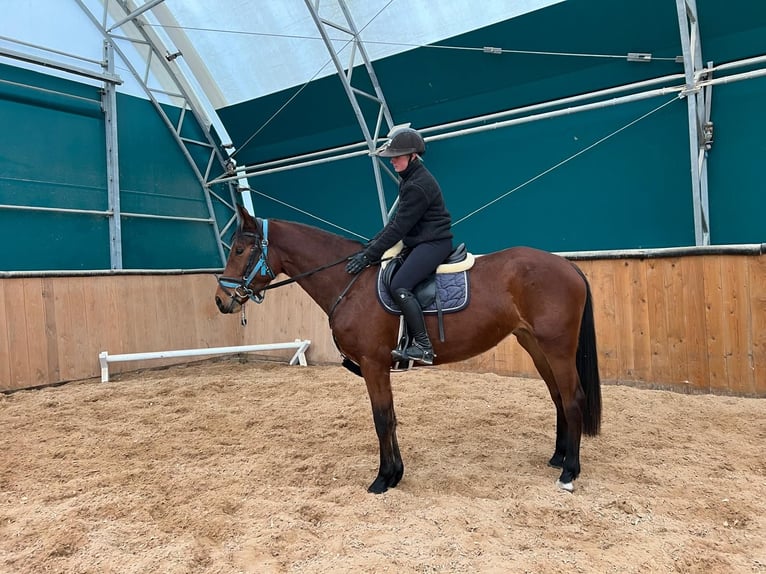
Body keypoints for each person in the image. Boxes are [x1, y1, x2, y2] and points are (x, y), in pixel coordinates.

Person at [346, 126, 453, 365]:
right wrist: (371, 245)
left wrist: (369, 256)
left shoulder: (417, 185)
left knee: (400, 285)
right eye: (392, 156)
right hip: (420, 241)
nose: (392, 160)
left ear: (413, 155)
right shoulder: (410, 179)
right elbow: (394, 221)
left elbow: (399, 228)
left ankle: (424, 346)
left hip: (433, 243)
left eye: (397, 156)